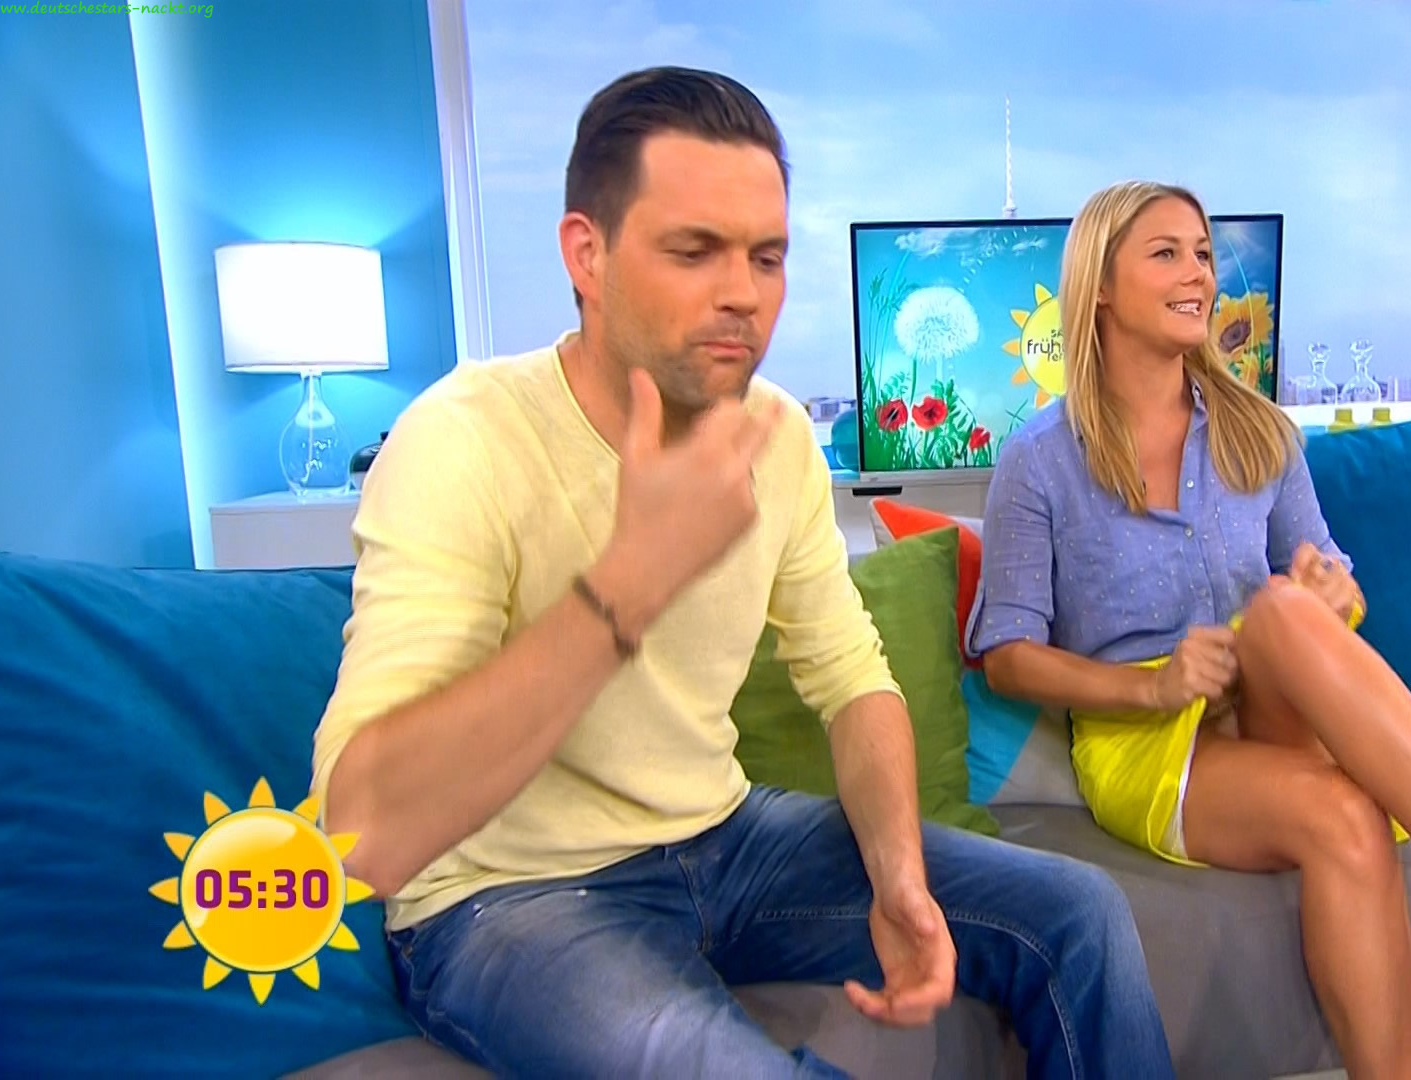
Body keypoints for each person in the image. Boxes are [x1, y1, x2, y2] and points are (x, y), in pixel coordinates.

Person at [310, 68, 1173, 1080]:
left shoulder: (775, 437)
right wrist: (631, 580)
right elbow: (362, 834)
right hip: (504, 894)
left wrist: (899, 875)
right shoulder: (463, 441)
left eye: (766, 257)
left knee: (1079, 912)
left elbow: (854, 682)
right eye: (694, 251)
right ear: (586, 254)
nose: (742, 294)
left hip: (725, 839)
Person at [968, 180, 1411, 1080]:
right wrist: (1152, 686)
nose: (1199, 273)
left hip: (1276, 695)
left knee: (1285, 609)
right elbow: (1007, 657)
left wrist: (1333, 597)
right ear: (1101, 288)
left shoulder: (1262, 433)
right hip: (1147, 740)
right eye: (1166, 253)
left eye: (1204, 253)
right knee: (1346, 819)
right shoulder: (1038, 461)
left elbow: (1335, 583)